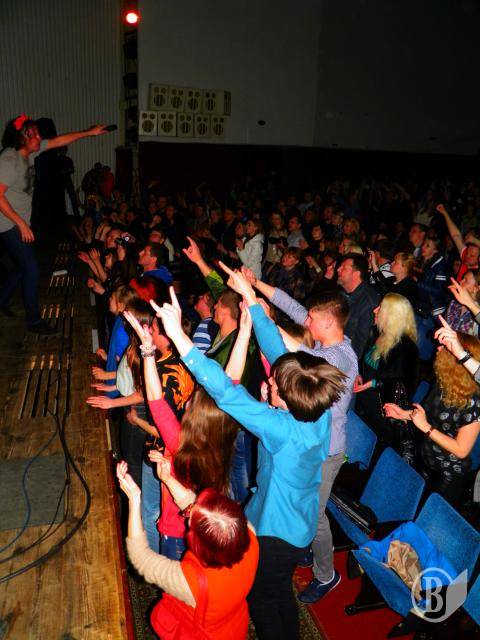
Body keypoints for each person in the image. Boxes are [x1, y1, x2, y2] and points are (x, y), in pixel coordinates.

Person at [152, 284, 345, 640]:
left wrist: (178, 335)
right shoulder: (317, 408)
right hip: (298, 522)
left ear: (287, 399)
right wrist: (253, 304)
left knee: (262, 597)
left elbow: (225, 392)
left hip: (277, 534)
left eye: (275, 385)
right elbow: (279, 355)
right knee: (279, 592)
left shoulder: (281, 429)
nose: (270, 380)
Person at [117, 460, 259, 640]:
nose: (189, 512)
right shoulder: (249, 534)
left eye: (190, 521)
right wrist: (168, 479)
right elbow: (206, 513)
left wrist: (134, 500)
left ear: (199, 543)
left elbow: (141, 557)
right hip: (234, 626)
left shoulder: (191, 582)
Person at [0, 115, 108, 331]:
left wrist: (89, 132)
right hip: (7, 223)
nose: (39, 137)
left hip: (19, 221)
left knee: (23, 267)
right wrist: (21, 224)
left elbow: (59, 141)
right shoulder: (9, 160)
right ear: (22, 138)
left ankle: (2, 299)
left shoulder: (30, 153)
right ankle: (34, 321)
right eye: (34, 134)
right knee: (32, 269)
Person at [385, 327, 480, 507]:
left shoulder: (474, 401)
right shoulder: (443, 382)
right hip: (426, 458)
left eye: (445, 347)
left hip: (447, 475)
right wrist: (404, 414)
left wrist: (426, 428)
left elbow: (461, 450)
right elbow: (427, 418)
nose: (438, 348)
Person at [354, 293, 419, 462]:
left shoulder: (406, 347)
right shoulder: (377, 333)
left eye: (380, 308)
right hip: (364, 399)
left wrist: (374, 383)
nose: (375, 310)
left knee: (371, 450)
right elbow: (365, 362)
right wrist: (359, 374)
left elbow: (404, 385)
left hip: (383, 409)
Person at [336, 253, 380, 358]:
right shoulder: (341, 294)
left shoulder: (369, 303)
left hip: (345, 357)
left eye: (344, 268)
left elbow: (360, 347)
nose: (338, 269)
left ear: (356, 274)